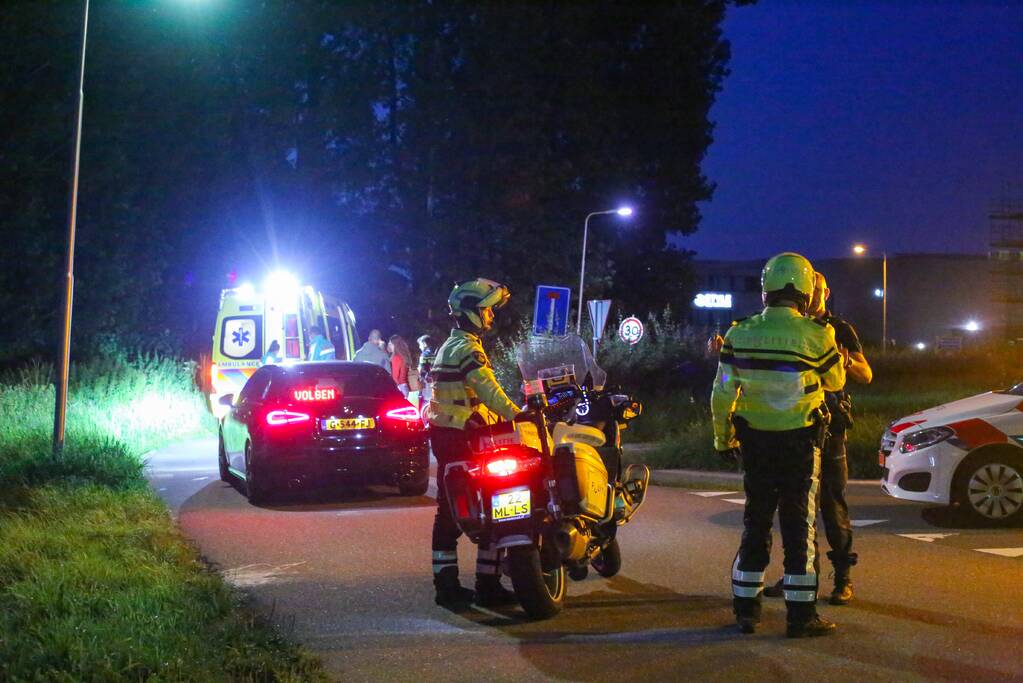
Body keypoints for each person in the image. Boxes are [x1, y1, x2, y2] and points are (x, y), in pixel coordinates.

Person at [711, 252, 846, 638]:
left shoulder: (740, 333)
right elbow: (835, 382)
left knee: (755, 521)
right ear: (805, 290)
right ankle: (801, 616)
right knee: (798, 526)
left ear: (765, 288)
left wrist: (723, 437)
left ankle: (746, 610)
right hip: (800, 443)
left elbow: (721, 394)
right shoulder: (819, 335)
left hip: (754, 442)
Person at [764, 272, 872, 605]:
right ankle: (797, 572)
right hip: (796, 429)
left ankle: (842, 579)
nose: (811, 297)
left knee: (832, 505)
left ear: (825, 292)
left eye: (817, 291)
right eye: (807, 291)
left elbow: (866, 374)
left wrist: (844, 359)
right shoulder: (791, 329)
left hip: (831, 432)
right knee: (796, 507)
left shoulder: (839, 329)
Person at [426, 278, 522, 608]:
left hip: (453, 436)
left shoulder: (451, 345)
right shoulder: (467, 348)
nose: (492, 317)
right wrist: (519, 416)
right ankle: (467, 586)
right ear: (472, 312)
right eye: (488, 310)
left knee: (461, 509)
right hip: (459, 439)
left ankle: (460, 585)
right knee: (472, 509)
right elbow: (488, 390)